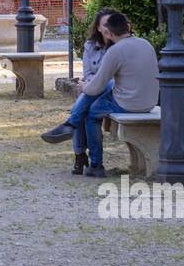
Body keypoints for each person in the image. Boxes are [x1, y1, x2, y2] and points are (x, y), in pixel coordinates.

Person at [39, 10, 159, 178]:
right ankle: (71, 125)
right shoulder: (146, 44)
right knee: (98, 98)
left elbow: (96, 87)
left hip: (128, 103)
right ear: (128, 27)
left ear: (109, 33)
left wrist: (83, 86)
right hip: (150, 101)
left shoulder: (116, 50)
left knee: (91, 114)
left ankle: (94, 162)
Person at [40, 8, 115, 175]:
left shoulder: (119, 47)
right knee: (86, 107)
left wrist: (92, 85)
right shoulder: (90, 45)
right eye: (105, 25)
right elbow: (88, 74)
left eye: (111, 24)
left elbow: (113, 78)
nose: (108, 28)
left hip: (109, 93)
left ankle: (74, 138)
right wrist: (90, 85)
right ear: (98, 27)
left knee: (83, 110)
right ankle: (85, 158)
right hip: (92, 89)